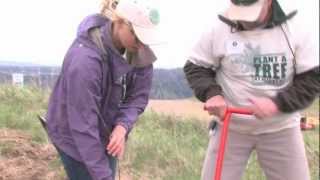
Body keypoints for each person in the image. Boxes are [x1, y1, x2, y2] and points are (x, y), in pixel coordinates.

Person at [184, 0, 319, 180]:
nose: (245, 20)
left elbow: (312, 78)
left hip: (281, 127)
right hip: (230, 126)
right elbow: (196, 66)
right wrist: (212, 94)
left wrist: (277, 104)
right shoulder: (219, 27)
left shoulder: (295, 27)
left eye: (251, 11)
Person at [45, 0, 162, 179]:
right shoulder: (85, 62)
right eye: (136, 36)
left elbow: (138, 97)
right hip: (73, 133)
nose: (140, 45)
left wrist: (122, 126)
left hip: (106, 130)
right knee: (92, 174)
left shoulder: (139, 49)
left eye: (145, 39)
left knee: (105, 172)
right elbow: (83, 127)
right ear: (120, 22)